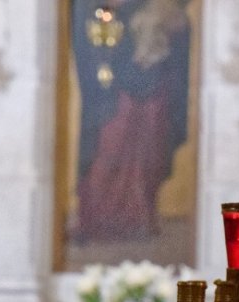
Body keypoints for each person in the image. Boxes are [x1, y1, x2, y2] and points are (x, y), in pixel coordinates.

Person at [70, 0, 191, 243]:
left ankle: (139, 219)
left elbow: (177, 16)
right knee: (107, 147)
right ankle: (97, 222)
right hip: (111, 79)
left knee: (147, 152)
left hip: (154, 78)